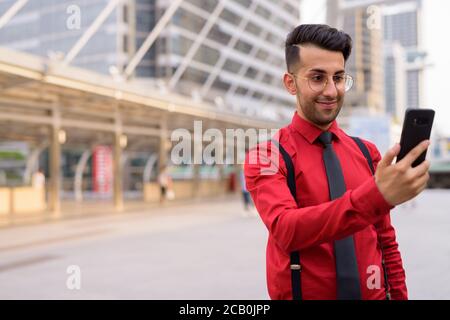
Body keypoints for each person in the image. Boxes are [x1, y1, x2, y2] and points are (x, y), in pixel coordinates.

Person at [245, 24, 430, 300]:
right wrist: (376, 196)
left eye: (339, 77)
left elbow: (386, 242)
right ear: (290, 83)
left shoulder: (368, 153)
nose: (331, 91)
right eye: (317, 78)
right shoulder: (266, 155)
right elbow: (286, 229)